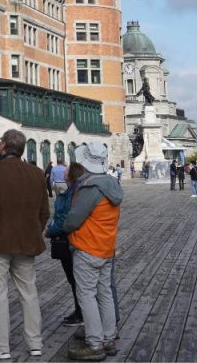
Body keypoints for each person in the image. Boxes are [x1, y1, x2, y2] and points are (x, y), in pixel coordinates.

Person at [0, 129, 49, 359]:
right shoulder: (37, 174)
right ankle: (35, 343)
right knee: (29, 292)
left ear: (2, 145)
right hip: (27, 240)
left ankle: (0, 346)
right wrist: (34, 230)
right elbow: (44, 212)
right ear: (23, 148)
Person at [64, 143, 124, 362]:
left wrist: (63, 228)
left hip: (87, 247)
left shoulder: (91, 188)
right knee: (105, 294)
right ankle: (108, 339)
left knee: (87, 296)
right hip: (106, 247)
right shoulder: (111, 184)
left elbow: (73, 220)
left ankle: (95, 344)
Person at [46, 162, 88, 328]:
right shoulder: (72, 192)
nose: (63, 171)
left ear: (70, 175)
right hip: (72, 240)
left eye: (67, 170)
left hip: (68, 240)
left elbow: (64, 219)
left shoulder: (70, 194)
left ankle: (81, 313)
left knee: (75, 278)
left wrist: (50, 230)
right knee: (75, 279)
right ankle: (80, 310)